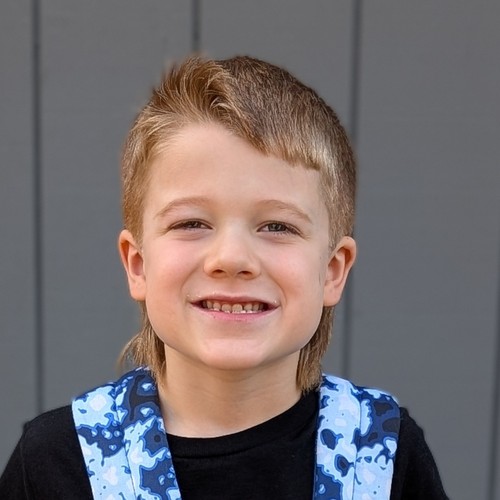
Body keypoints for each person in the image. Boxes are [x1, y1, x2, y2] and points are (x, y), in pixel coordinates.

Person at [0, 55, 448, 499]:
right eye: (191, 223)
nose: (232, 258)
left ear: (332, 271)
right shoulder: (55, 462)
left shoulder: (383, 455)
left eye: (277, 226)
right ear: (138, 265)